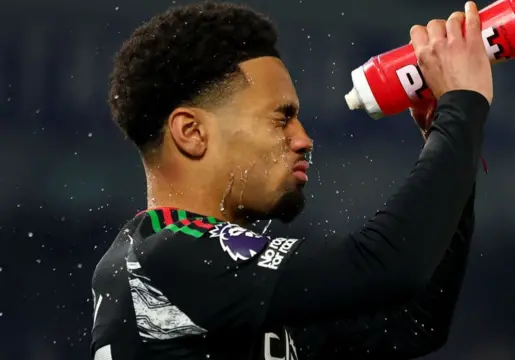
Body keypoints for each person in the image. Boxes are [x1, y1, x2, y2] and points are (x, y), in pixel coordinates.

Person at [90, 1, 493, 359]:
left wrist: (450, 137)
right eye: (281, 118)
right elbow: (386, 265)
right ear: (192, 133)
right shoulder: (165, 259)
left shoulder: (225, 290)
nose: (303, 139)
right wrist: (461, 109)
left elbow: (413, 325)